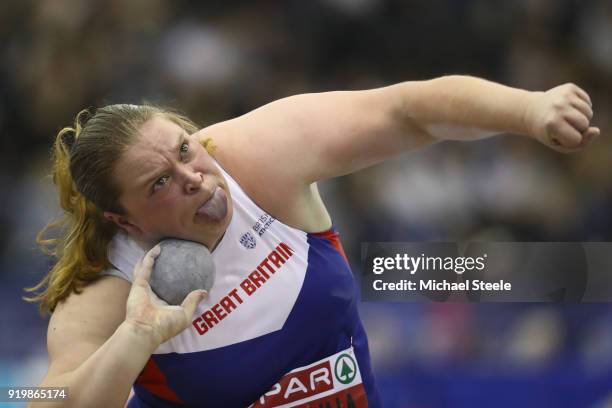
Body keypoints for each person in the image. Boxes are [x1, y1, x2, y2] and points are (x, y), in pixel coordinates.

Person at [26, 75, 599, 408]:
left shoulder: (255, 158)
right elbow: (40, 400)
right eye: (160, 185)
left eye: (183, 149)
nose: (195, 178)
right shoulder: (110, 286)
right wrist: (135, 338)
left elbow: (407, 110)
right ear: (125, 220)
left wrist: (530, 108)